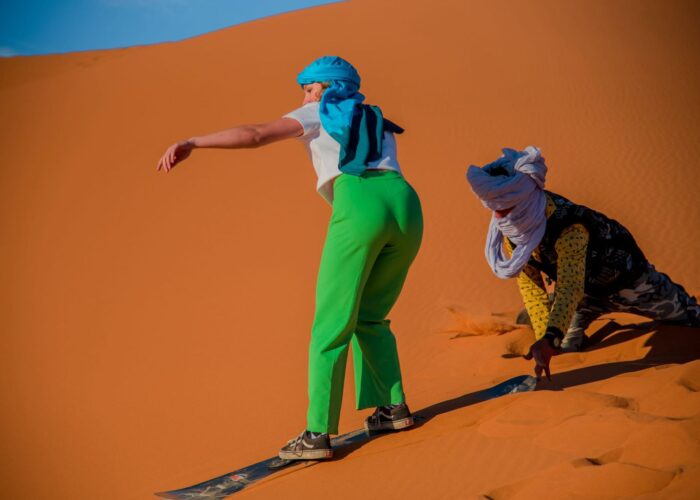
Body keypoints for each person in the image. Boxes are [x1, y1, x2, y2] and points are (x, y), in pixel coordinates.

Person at [157, 56, 423, 460]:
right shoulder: (373, 117)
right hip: (406, 206)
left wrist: (193, 141)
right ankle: (393, 408)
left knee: (331, 323)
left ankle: (317, 434)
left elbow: (255, 134)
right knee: (371, 316)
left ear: (324, 86)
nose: (302, 93)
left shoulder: (319, 110)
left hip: (360, 207)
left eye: (307, 86)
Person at [466, 146, 699, 381]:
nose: (497, 218)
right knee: (561, 349)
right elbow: (531, 286)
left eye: (504, 209)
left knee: (691, 318)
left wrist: (550, 337)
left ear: (521, 203)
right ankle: (549, 314)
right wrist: (545, 337)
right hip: (584, 298)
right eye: (494, 210)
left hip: (632, 285)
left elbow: (569, 287)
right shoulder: (514, 234)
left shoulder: (569, 226)